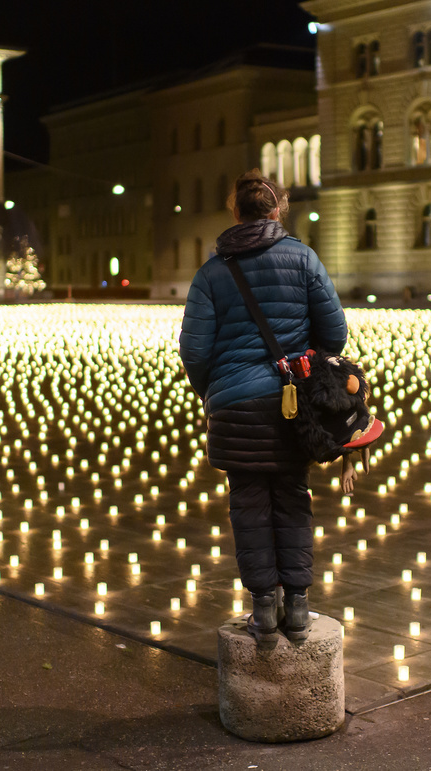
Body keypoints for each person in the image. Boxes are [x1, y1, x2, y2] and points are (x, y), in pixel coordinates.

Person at [179, 169, 347, 642]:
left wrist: (215, 393)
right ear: (278, 210)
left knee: (248, 505)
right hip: (292, 407)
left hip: (234, 407)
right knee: (293, 498)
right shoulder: (304, 259)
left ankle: (262, 609)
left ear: (235, 211)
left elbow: (194, 351)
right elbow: (334, 335)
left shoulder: (211, 273)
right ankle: (298, 607)